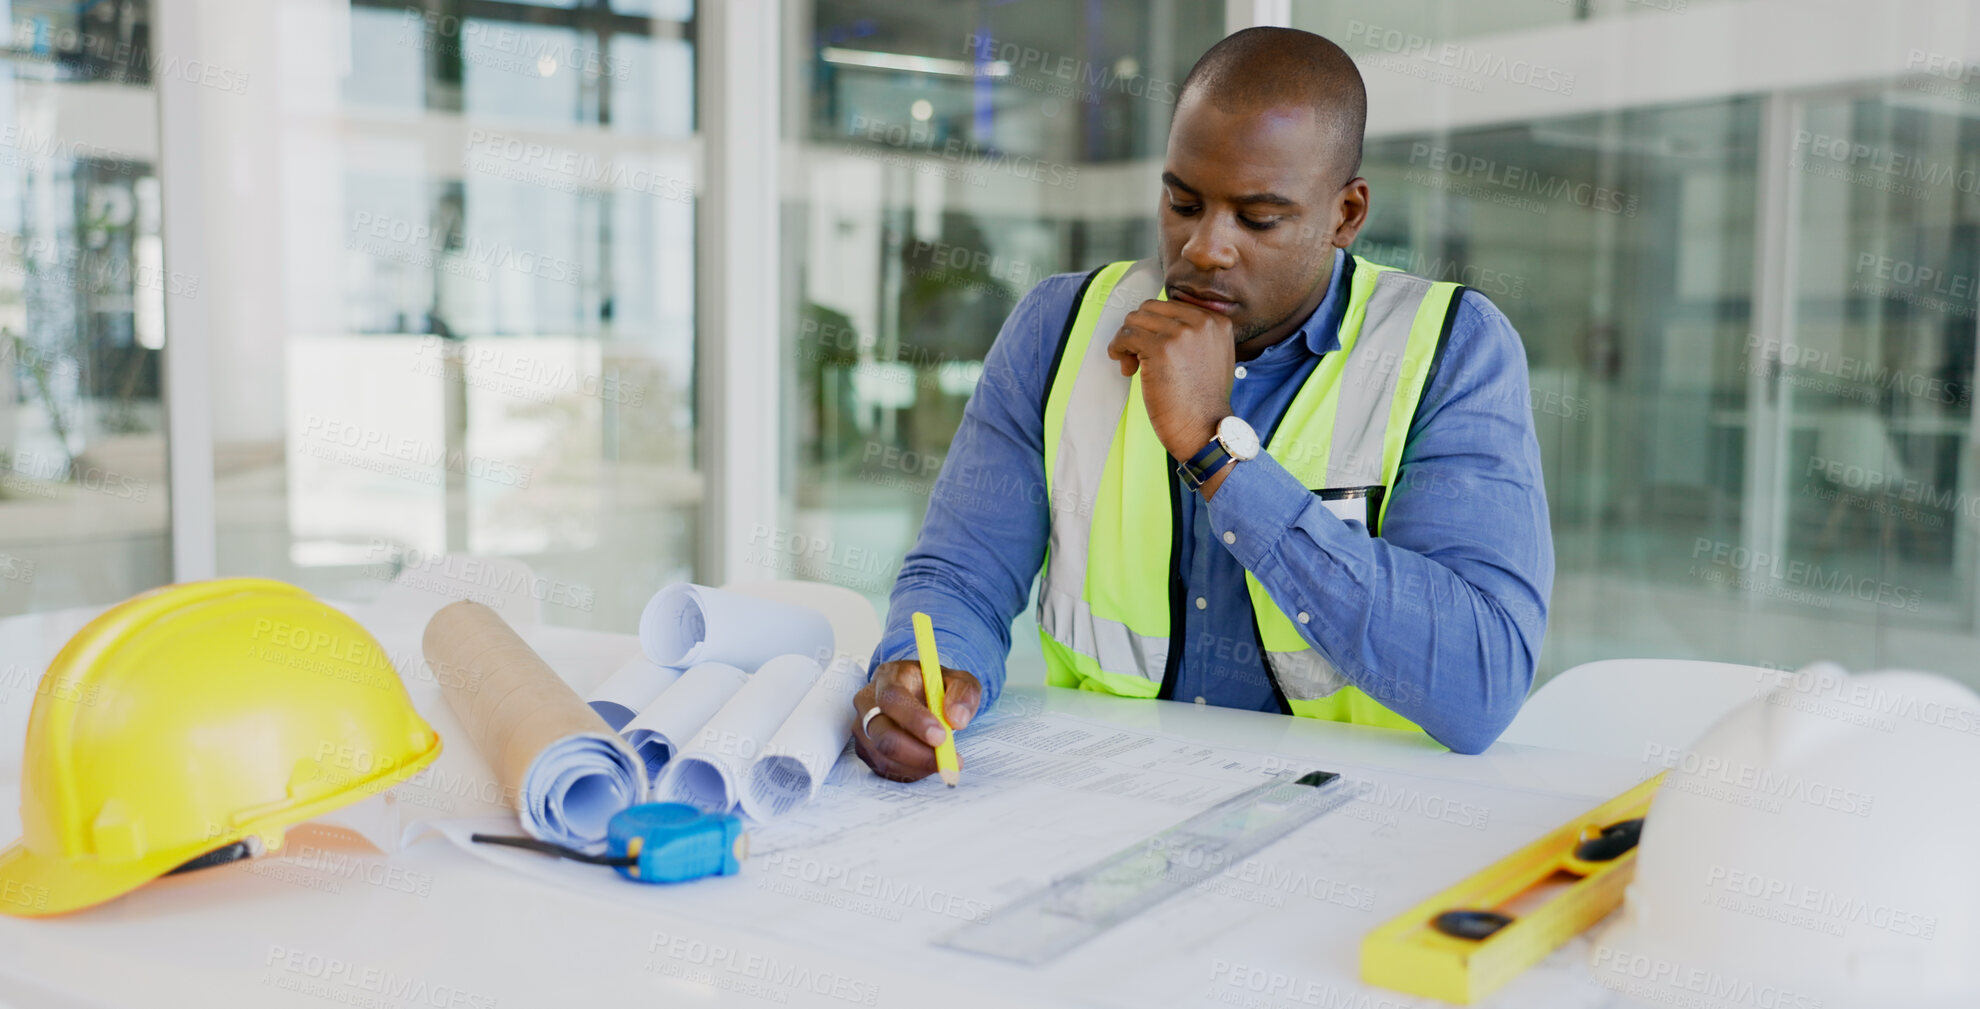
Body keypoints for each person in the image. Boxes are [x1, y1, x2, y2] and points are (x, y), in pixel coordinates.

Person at [852, 26, 1553, 778]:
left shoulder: (1451, 348)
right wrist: (931, 674)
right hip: (1104, 796)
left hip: (1358, 816)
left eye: (1259, 218)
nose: (1204, 248)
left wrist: (1217, 455)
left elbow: (1480, 684)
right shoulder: (1059, 329)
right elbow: (960, 576)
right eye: (1183, 201)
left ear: (1345, 216)